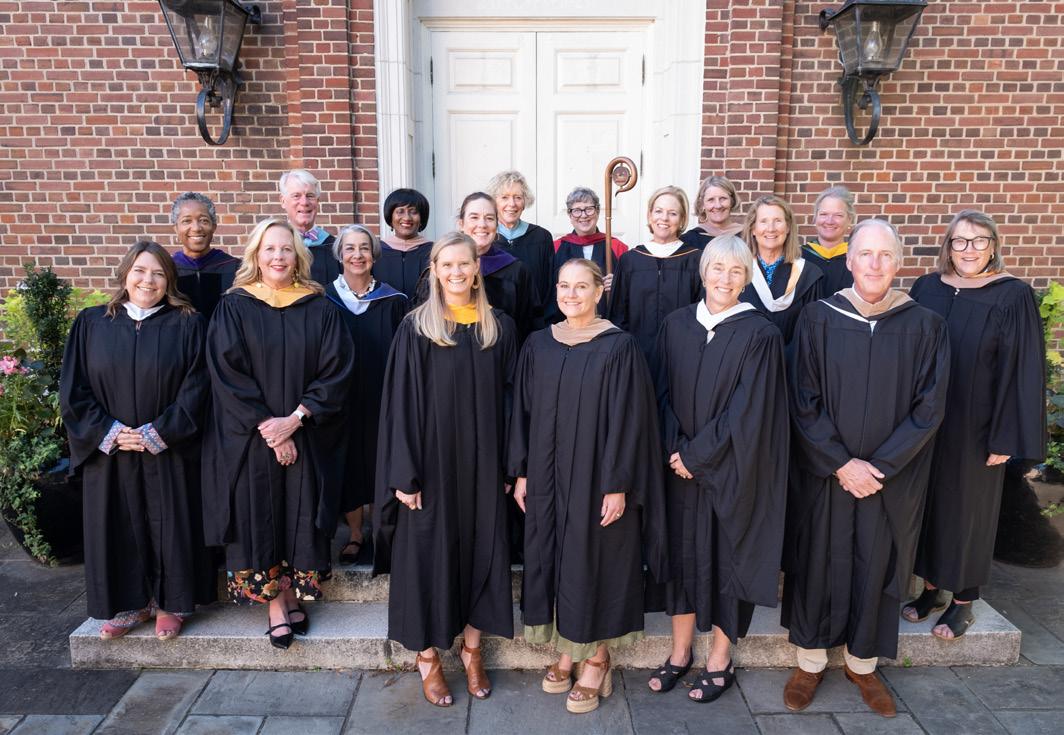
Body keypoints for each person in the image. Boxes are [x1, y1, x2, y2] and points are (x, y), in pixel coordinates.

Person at [781, 219, 950, 718]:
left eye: (885, 254)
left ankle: (862, 663)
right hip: (829, 474)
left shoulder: (925, 325)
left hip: (888, 478)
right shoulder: (818, 318)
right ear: (849, 261)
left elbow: (930, 408)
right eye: (865, 254)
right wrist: (840, 463)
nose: (875, 263)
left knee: (877, 563)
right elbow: (802, 398)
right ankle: (810, 662)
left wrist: (878, 467)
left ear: (898, 262)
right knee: (819, 559)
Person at [509, 258, 666, 715]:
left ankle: (597, 658)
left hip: (597, 478)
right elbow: (522, 411)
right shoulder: (539, 343)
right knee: (556, 556)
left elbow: (629, 420)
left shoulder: (618, 346)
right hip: (545, 476)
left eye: (582, 287)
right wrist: (522, 471)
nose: (571, 295)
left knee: (593, 559)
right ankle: (567, 648)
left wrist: (618, 484)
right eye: (564, 286)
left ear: (599, 292)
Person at [374, 232, 518, 707]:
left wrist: (511, 464)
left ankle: (472, 650)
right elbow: (398, 405)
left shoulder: (498, 327)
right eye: (447, 265)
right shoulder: (416, 328)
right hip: (430, 466)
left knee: (481, 552)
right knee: (426, 557)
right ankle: (428, 656)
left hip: (483, 465)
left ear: (477, 269)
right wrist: (403, 473)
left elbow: (514, 402)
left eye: (464, 264)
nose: (456, 272)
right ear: (433, 271)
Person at [647, 235, 789, 703]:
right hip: (678, 470)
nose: (725, 279)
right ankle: (680, 650)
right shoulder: (675, 325)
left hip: (731, 471)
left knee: (730, 560)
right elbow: (659, 393)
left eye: (735, 271)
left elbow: (750, 410)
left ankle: (720, 658)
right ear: (703, 271)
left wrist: (696, 456)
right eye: (717, 268)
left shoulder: (761, 335)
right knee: (681, 559)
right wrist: (676, 449)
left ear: (746, 278)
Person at [202, 217, 354, 650]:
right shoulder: (235, 306)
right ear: (256, 254)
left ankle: (292, 594)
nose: (278, 256)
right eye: (269, 248)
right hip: (252, 438)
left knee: (298, 513)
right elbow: (227, 373)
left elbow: (336, 370)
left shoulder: (320, 308)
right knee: (261, 515)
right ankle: (274, 606)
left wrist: (296, 419)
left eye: (286, 248)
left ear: (299, 255)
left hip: (304, 431)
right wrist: (272, 429)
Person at [60, 241, 215, 640]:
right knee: (118, 524)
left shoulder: (188, 324)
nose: (148, 281)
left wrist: (159, 432)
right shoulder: (93, 323)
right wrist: (109, 432)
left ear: (170, 280)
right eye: (140, 271)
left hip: (167, 448)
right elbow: (74, 389)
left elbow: (198, 387)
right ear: (125, 274)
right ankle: (129, 605)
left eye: (159, 273)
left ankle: (170, 604)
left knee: (171, 523)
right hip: (112, 452)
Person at [905, 210, 1045, 639]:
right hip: (926, 422)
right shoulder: (927, 288)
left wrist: (1007, 434)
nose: (970, 250)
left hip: (978, 426)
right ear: (948, 246)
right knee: (927, 506)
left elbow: (1023, 368)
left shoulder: (1012, 294)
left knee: (968, 513)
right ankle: (932, 589)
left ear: (993, 246)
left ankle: (964, 600)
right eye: (961, 241)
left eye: (980, 240)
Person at [324, 225, 407, 565]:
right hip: (338, 398)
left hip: (381, 395)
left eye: (364, 248)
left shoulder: (394, 301)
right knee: (347, 463)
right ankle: (355, 534)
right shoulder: (323, 300)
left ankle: (380, 530)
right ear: (339, 255)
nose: (357, 255)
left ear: (374, 255)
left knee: (378, 458)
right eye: (350, 248)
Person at [608, 185, 702, 362]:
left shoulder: (695, 260)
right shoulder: (630, 260)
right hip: (636, 357)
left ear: (682, 219)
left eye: (672, 213)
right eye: (658, 211)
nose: (664, 218)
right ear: (649, 215)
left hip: (682, 357)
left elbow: (701, 314)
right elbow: (618, 316)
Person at [738, 195, 823, 346]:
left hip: (791, 359)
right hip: (743, 357)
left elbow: (812, 334)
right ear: (753, 229)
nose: (771, 228)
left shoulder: (807, 275)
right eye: (763, 221)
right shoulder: (738, 271)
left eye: (778, 221)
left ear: (788, 227)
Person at [549, 186, 627, 321]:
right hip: (565, 321)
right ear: (570, 215)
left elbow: (630, 287)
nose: (584, 215)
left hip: (608, 322)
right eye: (577, 210)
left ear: (597, 211)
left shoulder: (616, 247)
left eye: (589, 209)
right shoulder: (556, 248)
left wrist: (619, 283)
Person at [489, 170, 555, 306]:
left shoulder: (541, 237)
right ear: (494, 202)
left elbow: (550, 286)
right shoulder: (485, 238)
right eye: (504, 197)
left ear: (525, 202)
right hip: (494, 317)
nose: (512, 204)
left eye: (518, 197)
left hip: (536, 317)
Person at [170, 192, 239, 319]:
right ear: (176, 228)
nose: (196, 228)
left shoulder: (235, 268)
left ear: (213, 227)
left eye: (203, 220)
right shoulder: (168, 270)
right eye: (186, 221)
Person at [280, 169, 341, 286]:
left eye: (310, 196)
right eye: (296, 196)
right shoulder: (273, 246)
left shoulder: (334, 247)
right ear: (283, 201)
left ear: (318, 201)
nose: (304, 202)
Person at [374, 188, 433, 298]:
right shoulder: (376, 251)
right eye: (400, 211)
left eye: (413, 212)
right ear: (390, 216)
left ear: (422, 218)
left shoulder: (435, 252)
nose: (407, 217)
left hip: (425, 309)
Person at [801, 186, 856, 295]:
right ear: (815, 217)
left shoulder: (857, 260)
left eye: (838, 215)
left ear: (849, 219)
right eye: (824, 214)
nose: (829, 221)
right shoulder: (798, 258)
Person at [681, 175, 742, 250]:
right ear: (702, 204)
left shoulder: (748, 237)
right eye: (711, 200)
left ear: (732, 201)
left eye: (723, 198)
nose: (718, 205)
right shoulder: (687, 241)